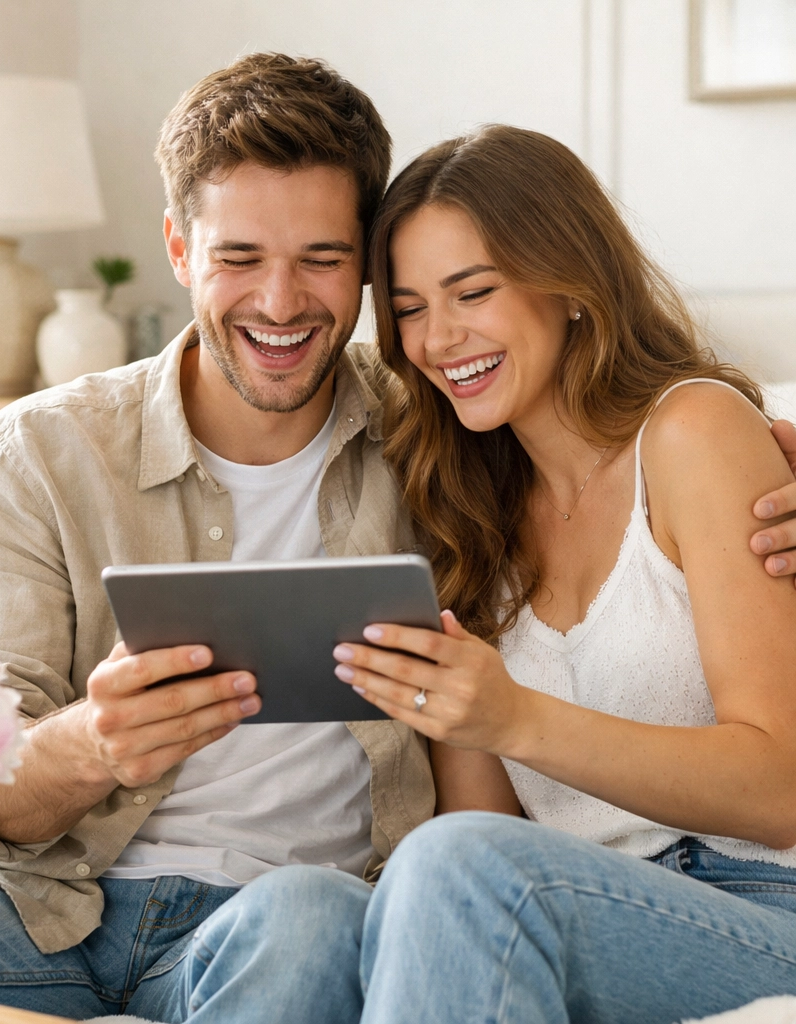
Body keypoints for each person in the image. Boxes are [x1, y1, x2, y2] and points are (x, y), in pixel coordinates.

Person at [0, 57, 796, 1022]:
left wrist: (507, 716)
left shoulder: (494, 440)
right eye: (415, 310)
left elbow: (738, 776)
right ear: (179, 248)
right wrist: (94, 744)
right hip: (52, 904)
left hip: (383, 908)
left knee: (365, 896)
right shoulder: (453, 471)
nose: (279, 301)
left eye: (322, 259)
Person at [326, 125, 796, 1022]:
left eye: (473, 292)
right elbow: (481, 837)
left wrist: (515, 717)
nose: (439, 338)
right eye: (412, 307)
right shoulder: (467, 513)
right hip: (571, 913)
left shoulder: (694, 433)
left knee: (455, 867)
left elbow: (782, 790)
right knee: (381, 890)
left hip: (762, 906)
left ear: (568, 285)